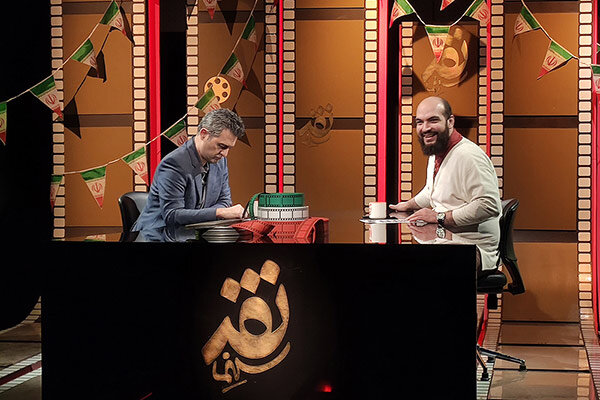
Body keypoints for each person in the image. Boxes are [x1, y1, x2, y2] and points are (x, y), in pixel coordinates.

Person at [389, 96, 502, 277]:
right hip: (445, 242)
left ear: (450, 122)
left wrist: (439, 217)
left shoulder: (469, 156)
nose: (425, 128)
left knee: (410, 274)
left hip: (472, 249)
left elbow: (488, 205)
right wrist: (408, 205)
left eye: (433, 120)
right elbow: (432, 190)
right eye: (420, 122)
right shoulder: (437, 152)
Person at [133, 108, 246, 242]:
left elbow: (225, 201)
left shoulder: (220, 162)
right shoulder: (174, 163)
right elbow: (172, 215)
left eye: (228, 148)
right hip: (155, 238)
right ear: (204, 134)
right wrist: (219, 213)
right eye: (221, 146)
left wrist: (219, 211)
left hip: (190, 236)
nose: (225, 154)